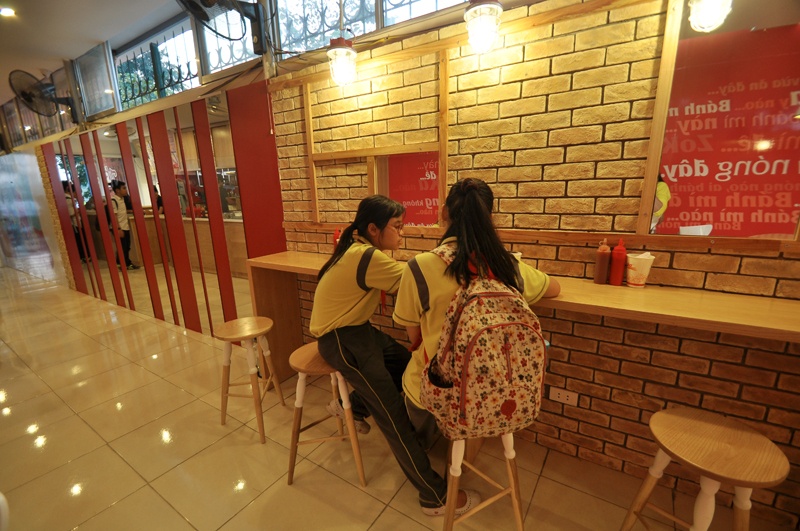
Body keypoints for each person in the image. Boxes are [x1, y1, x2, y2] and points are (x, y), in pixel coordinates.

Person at [309, 195, 478, 516]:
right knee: (393, 416)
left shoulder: (357, 248)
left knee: (405, 365)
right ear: (374, 229)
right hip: (341, 339)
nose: (402, 233)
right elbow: (417, 280)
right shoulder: (367, 256)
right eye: (397, 227)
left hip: (357, 331)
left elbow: (417, 277)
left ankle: (352, 406)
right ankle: (433, 496)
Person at [393, 178, 561, 451]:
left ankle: (421, 454)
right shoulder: (507, 265)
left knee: (413, 387)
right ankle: (459, 468)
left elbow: (414, 335)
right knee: (472, 417)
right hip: (487, 393)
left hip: (433, 388)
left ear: (444, 212)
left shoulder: (418, 267)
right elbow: (554, 288)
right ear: (489, 217)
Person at [111, 180, 139, 270]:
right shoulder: (113, 200)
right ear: (117, 190)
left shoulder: (122, 199)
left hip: (125, 226)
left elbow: (122, 211)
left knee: (126, 246)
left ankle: (121, 263)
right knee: (124, 247)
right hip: (120, 227)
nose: (125, 190)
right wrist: (118, 228)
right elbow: (114, 215)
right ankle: (126, 264)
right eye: (123, 188)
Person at [62, 180, 86, 262]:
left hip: (75, 223)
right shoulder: (68, 199)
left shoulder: (65, 198)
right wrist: (80, 209)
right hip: (75, 224)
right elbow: (71, 213)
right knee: (79, 241)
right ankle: (82, 257)